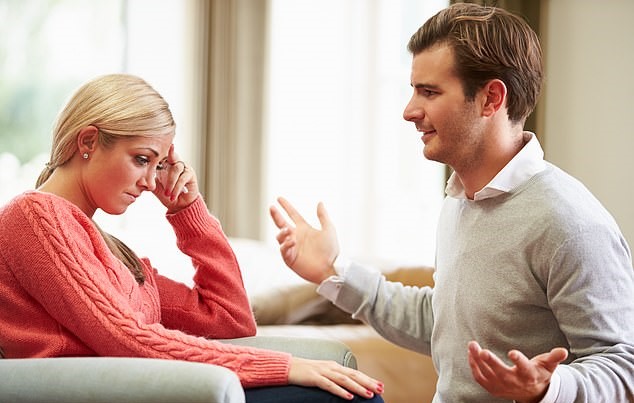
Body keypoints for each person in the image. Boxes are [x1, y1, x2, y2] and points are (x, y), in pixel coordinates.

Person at [269, 3, 634, 402]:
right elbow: (446, 321)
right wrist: (332, 270)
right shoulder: (460, 200)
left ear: (491, 98)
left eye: (429, 92)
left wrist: (548, 388)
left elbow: (623, 366)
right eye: (413, 89)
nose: (409, 111)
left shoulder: (570, 223)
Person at [0, 73, 384, 403]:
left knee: (353, 395)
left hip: (150, 388)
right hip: (103, 392)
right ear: (87, 142)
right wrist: (283, 366)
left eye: (160, 165)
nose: (151, 182)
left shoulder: (111, 252)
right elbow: (125, 338)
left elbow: (231, 320)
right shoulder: (34, 216)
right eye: (142, 159)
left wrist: (188, 212)